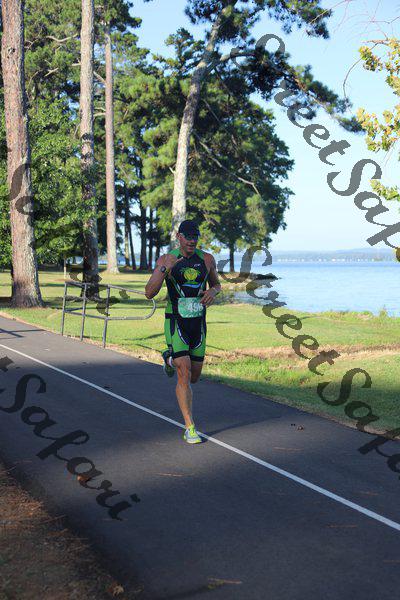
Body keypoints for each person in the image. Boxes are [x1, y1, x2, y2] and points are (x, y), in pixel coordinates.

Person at [145, 220, 221, 444]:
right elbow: (149, 292)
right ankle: (190, 427)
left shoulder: (207, 259)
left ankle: (168, 360)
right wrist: (164, 269)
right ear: (179, 237)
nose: (192, 240)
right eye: (188, 236)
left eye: (195, 236)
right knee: (184, 373)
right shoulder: (166, 259)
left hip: (198, 324)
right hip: (176, 322)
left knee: (195, 377)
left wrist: (213, 292)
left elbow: (216, 284)